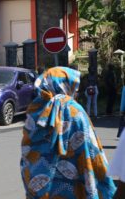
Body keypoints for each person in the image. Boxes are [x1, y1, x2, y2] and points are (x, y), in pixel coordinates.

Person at [20, 67, 116, 198]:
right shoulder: (73, 110)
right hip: (72, 190)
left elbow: (27, 153)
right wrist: (106, 184)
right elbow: (92, 150)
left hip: (40, 190)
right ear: (64, 85)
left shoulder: (35, 110)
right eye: (74, 88)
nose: (76, 93)